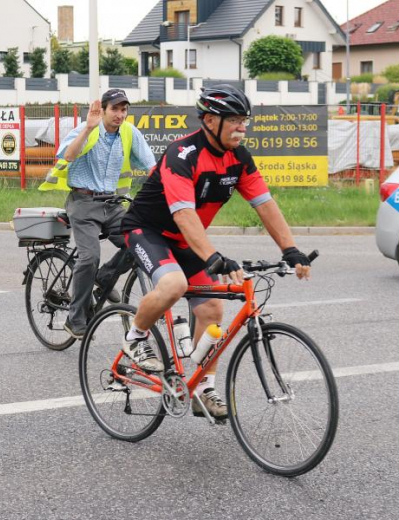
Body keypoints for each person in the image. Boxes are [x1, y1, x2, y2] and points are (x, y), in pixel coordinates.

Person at [120, 85, 312, 419]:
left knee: (212, 307)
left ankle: (202, 388)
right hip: (147, 231)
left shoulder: (239, 159)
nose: (242, 128)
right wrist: (213, 256)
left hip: (185, 240)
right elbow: (183, 214)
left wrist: (290, 248)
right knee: (174, 285)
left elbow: (265, 204)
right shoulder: (182, 155)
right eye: (234, 120)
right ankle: (135, 336)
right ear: (210, 121)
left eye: (244, 121)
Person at [40, 89, 156, 339]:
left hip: (112, 204)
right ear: (102, 110)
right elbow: (68, 155)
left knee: (140, 244)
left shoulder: (129, 132)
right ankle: (75, 318)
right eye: (114, 109)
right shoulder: (87, 129)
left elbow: (152, 166)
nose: (120, 114)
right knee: (90, 257)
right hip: (83, 202)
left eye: (124, 109)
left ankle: (103, 279)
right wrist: (88, 128)